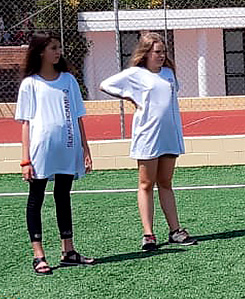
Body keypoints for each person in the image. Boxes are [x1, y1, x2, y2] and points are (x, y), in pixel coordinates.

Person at [99, 32, 196, 252]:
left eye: (163, 52)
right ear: (146, 53)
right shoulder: (136, 73)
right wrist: (131, 97)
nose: (161, 56)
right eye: (157, 52)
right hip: (148, 136)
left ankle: (175, 231)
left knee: (166, 183)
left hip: (169, 136)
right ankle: (148, 234)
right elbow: (105, 85)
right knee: (146, 184)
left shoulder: (169, 74)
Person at [15, 32, 96, 275]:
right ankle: (38, 255)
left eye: (59, 47)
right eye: (53, 47)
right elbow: (26, 123)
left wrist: (85, 149)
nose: (58, 51)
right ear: (41, 52)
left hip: (67, 147)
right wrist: (25, 159)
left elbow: (78, 117)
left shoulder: (68, 80)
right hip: (41, 151)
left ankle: (68, 251)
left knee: (63, 196)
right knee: (36, 198)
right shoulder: (30, 84)